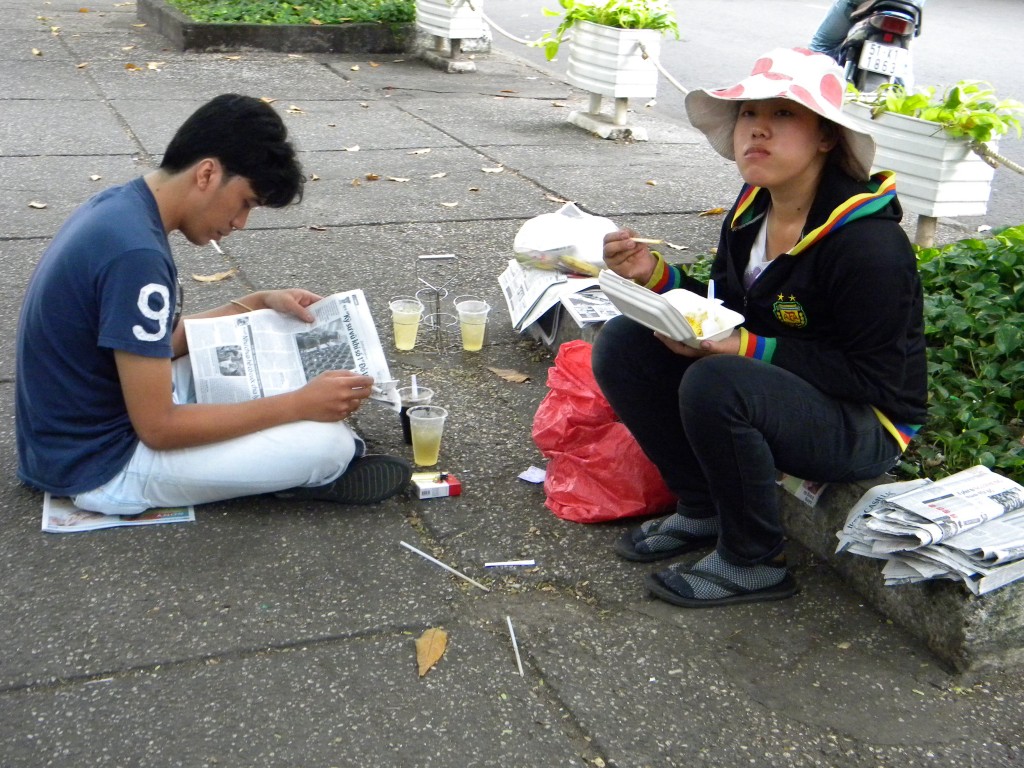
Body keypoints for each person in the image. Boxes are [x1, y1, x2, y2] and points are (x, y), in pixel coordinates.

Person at [592, 48, 927, 608]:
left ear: (826, 137)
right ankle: (701, 510)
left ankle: (754, 560)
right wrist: (656, 278)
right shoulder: (753, 208)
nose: (759, 129)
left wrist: (743, 348)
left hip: (866, 424)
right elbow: (728, 310)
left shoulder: (870, 247)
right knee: (624, 343)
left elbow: (878, 379)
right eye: (749, 114)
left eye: (785, 114)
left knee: (718, 380)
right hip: (780, 390)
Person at [16, 93, 411, 516]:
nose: (240, 223)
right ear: (207, 173)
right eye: (245, 203)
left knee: (255, 348)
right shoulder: (138, 258)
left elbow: (155, 345)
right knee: (330, 447)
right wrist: (297, 405)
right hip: (101, 464)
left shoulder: (121, 209)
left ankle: (272, 449)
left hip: (70, 433)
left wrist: (255, 304)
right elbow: (159, 428)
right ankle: (294, 477)